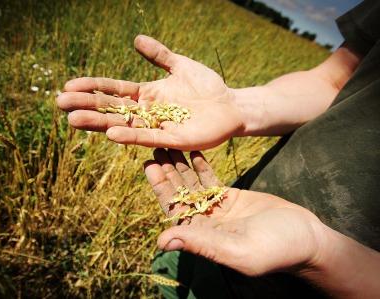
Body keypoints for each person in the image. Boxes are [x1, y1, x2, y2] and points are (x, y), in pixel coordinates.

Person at [57, 0, 380, 297]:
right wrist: (238, 106)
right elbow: (334, 82)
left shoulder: (312, 253)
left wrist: (321, 255)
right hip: (226, 209)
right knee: (170, 281)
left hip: (302, 280)